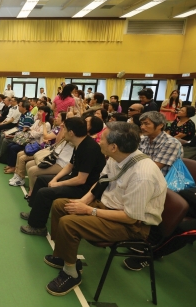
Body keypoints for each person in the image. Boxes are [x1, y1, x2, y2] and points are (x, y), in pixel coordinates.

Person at [43, 122, 166, 296]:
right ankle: (63, 256)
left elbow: (131, 217)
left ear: (114, 147)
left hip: (131, 225)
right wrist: (83, 202)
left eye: (103, 139)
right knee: (61, 205)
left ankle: (71, 274)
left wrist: (88, 211)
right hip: (109, 207)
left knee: (68, 223)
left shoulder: (142, 176)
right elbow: (101, 183)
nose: (98, 141)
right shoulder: (119, 158)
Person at [20, 117, 107, 237]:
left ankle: (38, 227)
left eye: (64, 129)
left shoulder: (89, 149)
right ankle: (35, 213)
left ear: (71, 132)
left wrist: (57, 184)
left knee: (45, 192)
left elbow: (81, 179)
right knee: (41, 180)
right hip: (74, 179)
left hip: (84, 188)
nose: (63, 131)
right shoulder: (79, 143)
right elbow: (70, 165)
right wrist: (55, 179)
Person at [22, 113, 72, 194]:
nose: (55, 118)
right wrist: (62, 128)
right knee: (29, 164)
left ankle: (33, 192)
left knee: (32, 170)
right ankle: (32, 188)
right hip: (54, 156)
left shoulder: (72, 135)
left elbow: (46, 136)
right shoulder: (59, 129)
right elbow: (57, 142)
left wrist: (44, 124)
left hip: (61, 163)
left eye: (58, 117)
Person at [138, 111, 182, 176]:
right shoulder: (143, 139)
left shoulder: (171, 143)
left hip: (162, 180)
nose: (142, 127)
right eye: (141, 124)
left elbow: (155, 168)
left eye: (146, 124)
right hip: (143, 174)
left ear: (160, 125)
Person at [3, 101, 35, 173]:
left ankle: (13, 167)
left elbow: (24, 132)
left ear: (24, 108)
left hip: (25, 139)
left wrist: (12, 135)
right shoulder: (23, 114)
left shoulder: (28, 116)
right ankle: (10, 164)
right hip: (20, 135)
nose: (18, 107)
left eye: (19, 106)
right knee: (10, 145)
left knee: (13, 147)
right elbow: (19, 128)